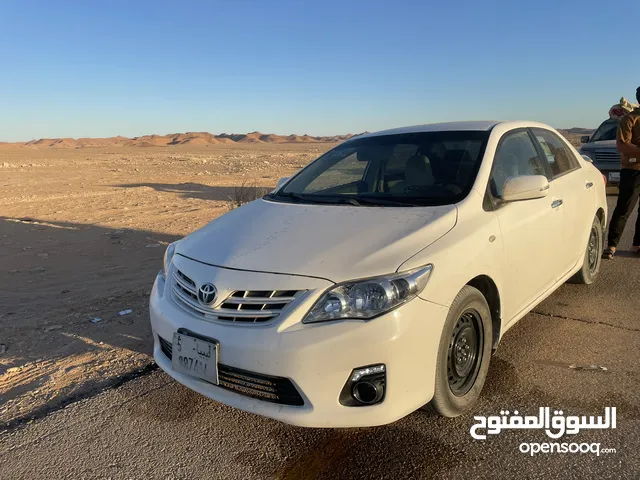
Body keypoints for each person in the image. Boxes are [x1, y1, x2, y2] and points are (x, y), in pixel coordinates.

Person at [602, 86, 640, 259]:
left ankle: (637, 245)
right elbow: (622, 145)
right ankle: (611, 246)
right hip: (632, 170)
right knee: (624, 208)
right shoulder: (629, 119)